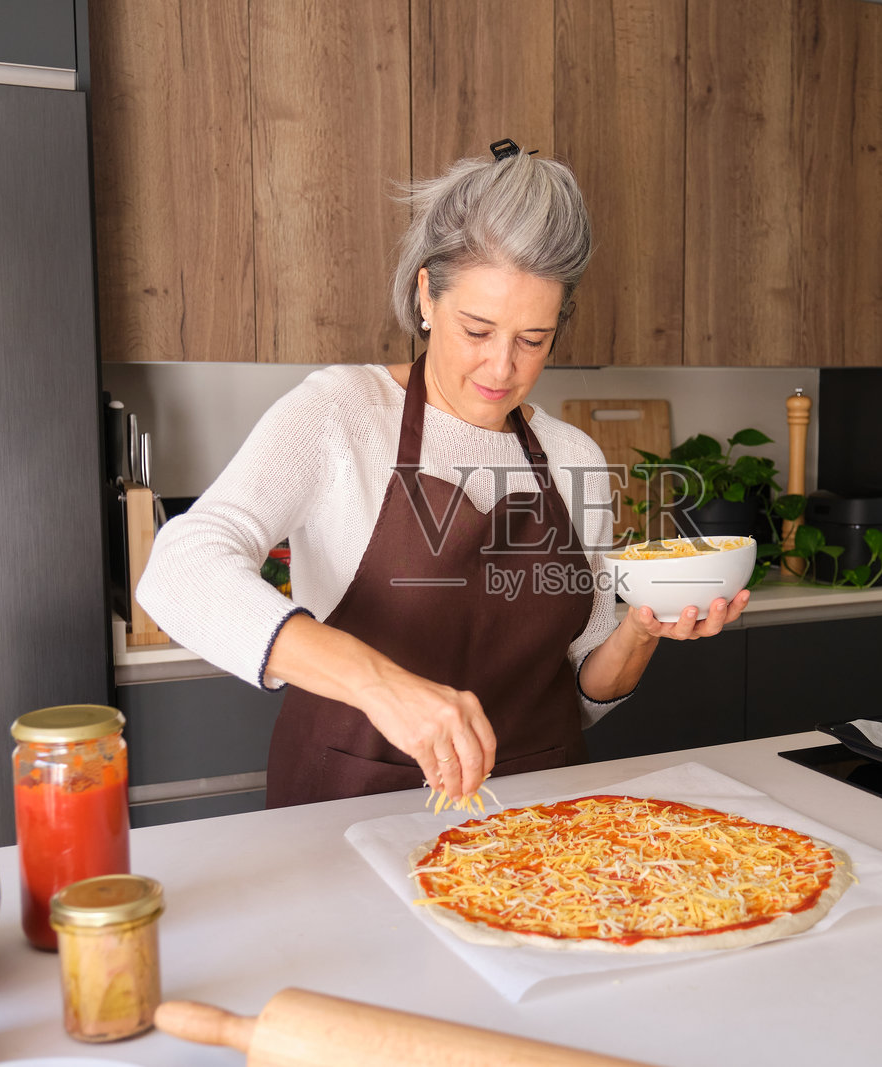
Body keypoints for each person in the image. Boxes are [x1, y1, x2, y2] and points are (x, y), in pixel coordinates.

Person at [137, 141, 749, 808]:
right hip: (349, 813)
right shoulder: (343, 413)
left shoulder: (573, 457)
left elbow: (584, 693)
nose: (500, 368)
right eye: (477, 329)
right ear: (427, 293)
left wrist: (639, 631)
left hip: (541, 827)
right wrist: (381, 684)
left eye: (532, 340)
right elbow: (178, 570)